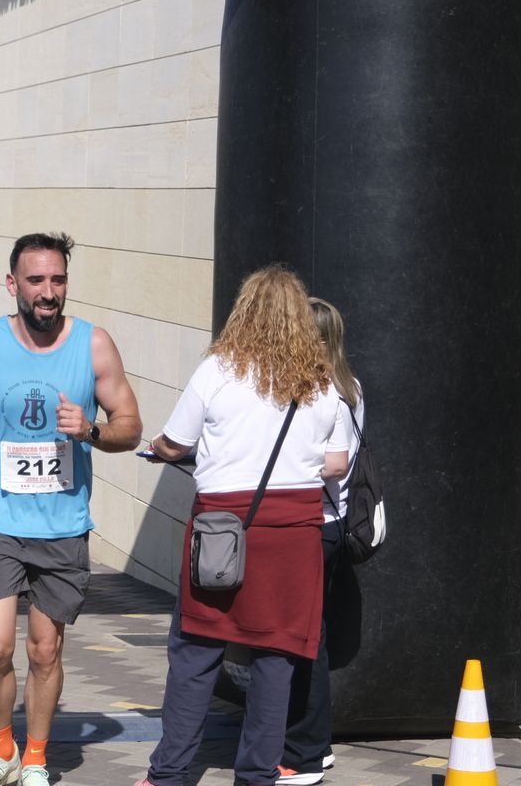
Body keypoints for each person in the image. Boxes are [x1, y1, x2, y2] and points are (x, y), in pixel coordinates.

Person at [0, 232, 142, 786]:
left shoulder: (93, 345)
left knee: (44, 652)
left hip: (62, 525)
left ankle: (37, 757)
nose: (48, 292)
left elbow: (130, 427)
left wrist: (90, 430)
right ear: (13, 283)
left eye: (58, 280)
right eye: (37, 281)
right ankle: (1, 750)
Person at [134, 266, 350, 786]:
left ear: (243, 312)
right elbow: (338, 460)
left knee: (195, 652)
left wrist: (160, 451)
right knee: (277, 658)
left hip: (222, 531)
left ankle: (169, 774)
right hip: (294, 537)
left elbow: (175, 441)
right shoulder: (322, 383)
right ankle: (256, 776)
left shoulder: (217, 371)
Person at [280, 297, 365, 786]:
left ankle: (305, 752)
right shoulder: (347, 385)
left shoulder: (334, 391)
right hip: (324, 525)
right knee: (313, 635)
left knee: (303, 640)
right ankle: (314, 744)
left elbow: (336, 464)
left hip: (317, 523)